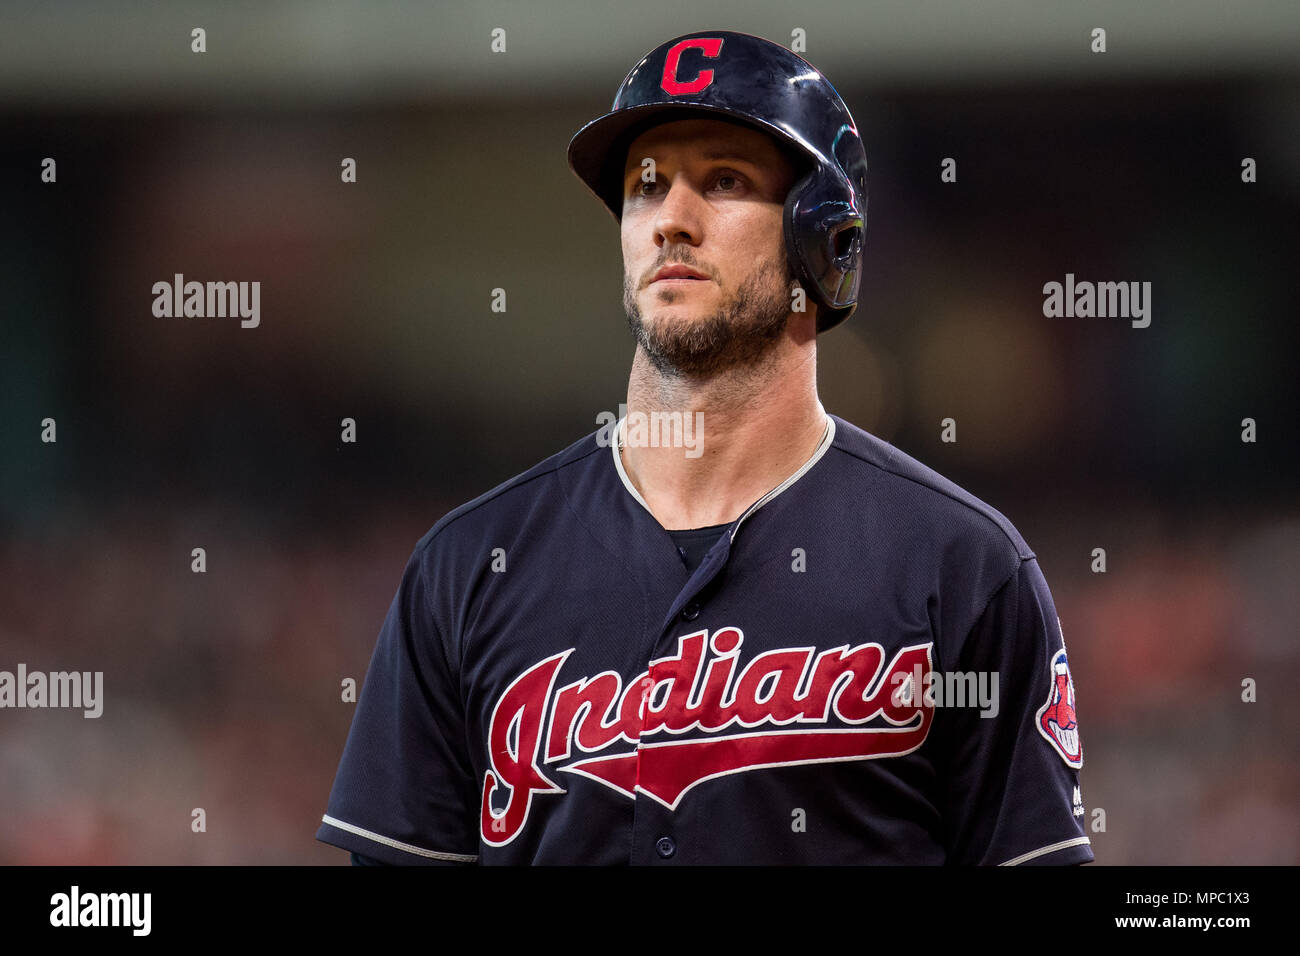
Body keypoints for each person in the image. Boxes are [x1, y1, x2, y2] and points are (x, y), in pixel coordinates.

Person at [317, 30, 1093, 865]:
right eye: (645, 187)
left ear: (824, 238)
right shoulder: (468, 566)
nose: (671, 222)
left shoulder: (962, 568)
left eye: (723, 181)